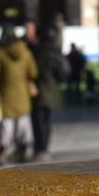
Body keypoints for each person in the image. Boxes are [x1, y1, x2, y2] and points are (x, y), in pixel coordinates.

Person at [0, 24, 38, 164]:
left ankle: (4, 151)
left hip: (6, 94)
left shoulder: (1, 54)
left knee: (7, 126)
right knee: (24, 123)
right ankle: (26, 149)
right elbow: (33, 72)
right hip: (23, 94)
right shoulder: (26, 52)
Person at [27, 20, 67, 162]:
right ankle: (44, 148)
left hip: (39, 89)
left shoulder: (36, 51)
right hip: (51, 89)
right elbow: (61, 72)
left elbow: (33, 71)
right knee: (46, 120)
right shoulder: (53, 50)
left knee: (38, 121)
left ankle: (40, 148)